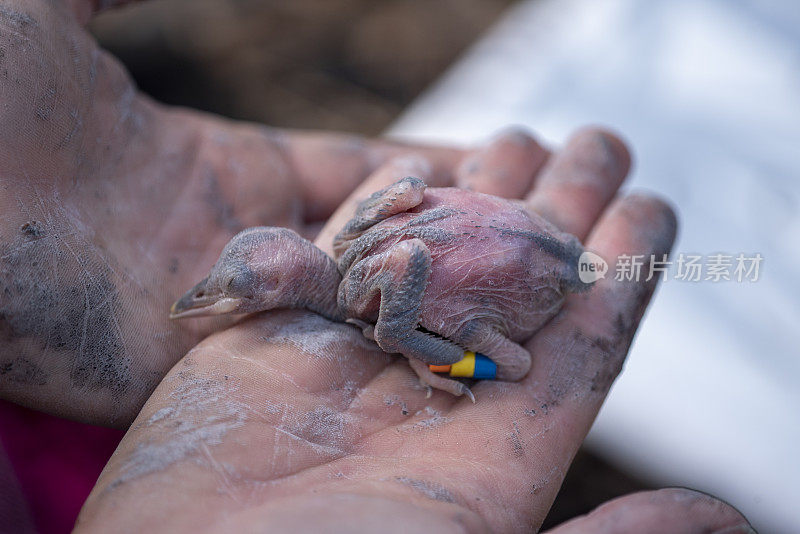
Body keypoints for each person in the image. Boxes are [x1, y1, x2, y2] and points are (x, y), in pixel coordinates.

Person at [0, 1, 753, 532]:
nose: (229, 301)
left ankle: (491, 351)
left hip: (520, 277)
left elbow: (420, 247)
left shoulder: (373, 295)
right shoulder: (360, 237)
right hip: (516, 235)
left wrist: (427, 350)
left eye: (245, 289)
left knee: (510, 366)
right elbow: (409, 190)